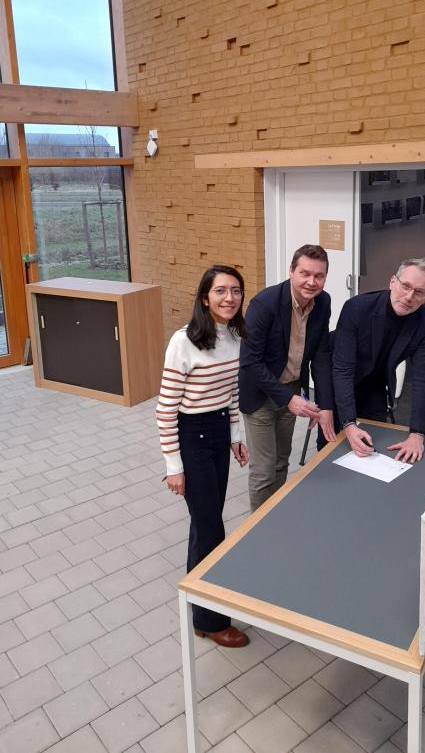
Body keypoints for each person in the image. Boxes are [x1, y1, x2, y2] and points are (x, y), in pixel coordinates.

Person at [156, 265, 250, 647]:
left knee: (205, 522)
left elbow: (230, 393)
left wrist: (236, 435)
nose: (229, 298)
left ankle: (199, 612)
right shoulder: (184, 341)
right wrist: (173, 468)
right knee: (211, 528)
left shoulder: (236, 336)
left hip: (216, 432)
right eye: (221, 291)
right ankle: (212, 620)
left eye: (236, 291)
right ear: (204, 297)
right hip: (190, 436)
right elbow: (165, 409)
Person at [239, 244, 336, 510]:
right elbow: (249, 362)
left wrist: (326, 405)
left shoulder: (323, 302)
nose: (311, 281)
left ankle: (275, 515)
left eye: (319, 276)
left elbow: (321, 355)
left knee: (282, 461)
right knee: (263, 471)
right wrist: (288, 398)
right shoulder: (264, 304)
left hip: (292, 388)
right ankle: (258, 532)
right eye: (305, 273)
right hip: (260, 395)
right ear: (291, 271)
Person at [331, 257, 425, 463]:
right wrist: (349, 424)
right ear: (392, 282)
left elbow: (423, 378)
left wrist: (417, 434)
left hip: (376, 383)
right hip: (338, 381)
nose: (408, 296)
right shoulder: (357, 308)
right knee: (333, 449)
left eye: (418, 292)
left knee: (374, 448)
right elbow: (342, 369)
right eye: (405, 286)